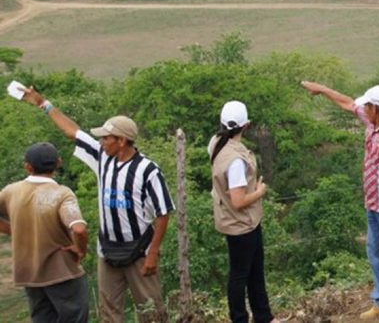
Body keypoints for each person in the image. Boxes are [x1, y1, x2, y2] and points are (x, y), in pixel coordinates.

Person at [20, 88, 175, 323]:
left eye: (106, 138)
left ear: (121, 141)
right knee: (109, 312)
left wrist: (153, 253)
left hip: (140, 252)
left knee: (151, 311)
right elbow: (74, 132)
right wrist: (44, 104)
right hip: (108, 250)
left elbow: (163, 214)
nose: (101, 142)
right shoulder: (103, 158)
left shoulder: (147, 170)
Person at [300, 81, 379, 319]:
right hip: (374, 203)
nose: (362, 109)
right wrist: (322, 89)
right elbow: (348, 103)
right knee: (376, 252)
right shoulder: (374, 122)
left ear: (375, 109)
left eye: (366, 105)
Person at [0, 142, 89, 322]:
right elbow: (79, 229)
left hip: (29, 272)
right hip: (62, 271)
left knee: (41, 318)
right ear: (58, 163)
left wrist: (14, 231)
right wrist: (80, 249)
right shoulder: (61, 194)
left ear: (28, 166)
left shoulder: (11, 191)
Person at [208, 101, 279, 323]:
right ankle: (240, 318)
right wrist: (259, 192)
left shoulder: (217, 143)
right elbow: (238, 201)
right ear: (246, 125)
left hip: (236, 220)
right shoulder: (235, 161)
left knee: (253, 271)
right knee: (241, 275)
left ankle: (263, 316)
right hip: (241, 223)